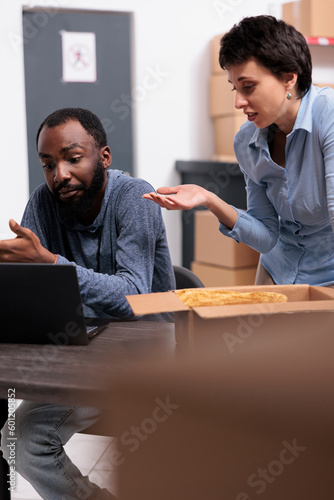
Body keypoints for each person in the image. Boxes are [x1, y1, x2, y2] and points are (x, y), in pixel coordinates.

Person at [0, 107, 175, 499]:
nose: (59, 175)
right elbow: (28, 290)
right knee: (18, 437)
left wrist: (49, 263)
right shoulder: (43, 204)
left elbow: (133, 298)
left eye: (72, 159)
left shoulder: (136, 197)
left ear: (104, 157)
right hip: (77, 355)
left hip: (147, 357)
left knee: (28, 439)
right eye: (48, 165)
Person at [144, 15, 334, 288]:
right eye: (235, 88)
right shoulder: (247, 141)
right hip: (278, 270)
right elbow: (266, 236)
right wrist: (209, 199)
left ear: (289, 78)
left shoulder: (328, 114)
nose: (237, 102)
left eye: (249, 87)